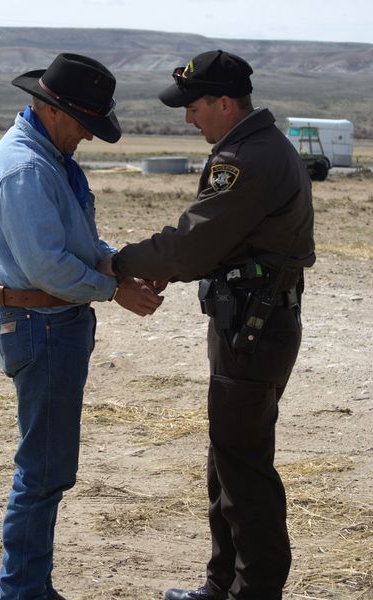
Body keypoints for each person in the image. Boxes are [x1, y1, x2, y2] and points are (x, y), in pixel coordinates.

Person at [98, 50, 315, 600]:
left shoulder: (245, 157)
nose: (189, 120)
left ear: (223, 102)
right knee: (230, 459)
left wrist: (119, 263)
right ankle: (223, 585)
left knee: (242, 467)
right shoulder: (255, 148)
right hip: (251, 319)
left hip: (252, 325)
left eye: (194, 108)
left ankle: (252, 591)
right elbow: (221, 243)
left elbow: (193, 242)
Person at [0, 52, 163, 600]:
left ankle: (28, 586)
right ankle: (23, 591)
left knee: (47, 467)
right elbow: (48, 267)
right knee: (43, 472)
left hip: (50, 324)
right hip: (43, 324)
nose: (86, 134)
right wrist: (114, 289)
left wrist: (115, 262)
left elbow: (73, 246)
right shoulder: (28, 168)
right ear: (55, 110)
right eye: (85, 123)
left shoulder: (47, 157)